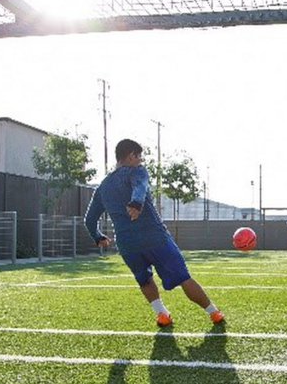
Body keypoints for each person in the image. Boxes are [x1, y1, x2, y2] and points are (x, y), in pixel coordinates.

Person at [85, 139, 223, 327]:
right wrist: (136, 203)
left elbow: (89, 219)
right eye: (139, 157)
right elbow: (139, 186)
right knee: (183, 277)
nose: (141, 161)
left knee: (144, 280)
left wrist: (97, 236)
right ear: (131, 155)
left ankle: (162, 315)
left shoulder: (102, 187)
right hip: (154, 237)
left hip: (127, 244)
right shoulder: (137, 171)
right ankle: (213, 312)